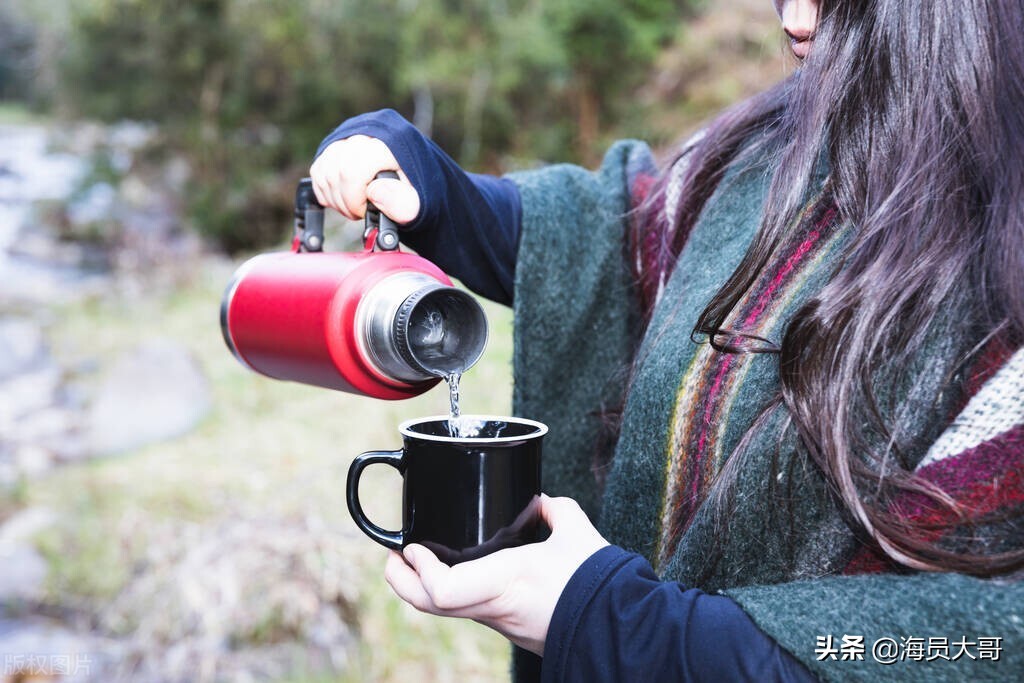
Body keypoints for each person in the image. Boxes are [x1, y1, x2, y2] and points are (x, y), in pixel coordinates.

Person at [310, 0, 1024, 680]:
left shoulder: (1004, 268)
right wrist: (440, 194)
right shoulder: (776, 145)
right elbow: (624, 241)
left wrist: (619, 627)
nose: (797, 19)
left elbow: (981, 640)